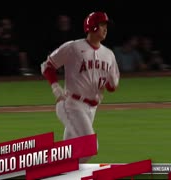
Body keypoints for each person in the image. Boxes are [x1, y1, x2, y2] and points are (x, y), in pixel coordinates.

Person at [40, 12, 120, 163]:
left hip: (91, 109)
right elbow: (47, 66)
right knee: (90, 147)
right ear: (92, 26)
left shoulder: (109, 55)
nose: (105, 29)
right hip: (71, 104)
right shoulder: (74, 47)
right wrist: (55, 87)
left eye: (106, 26)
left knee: (67, 153)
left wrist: (107, 83)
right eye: (103, 25)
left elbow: (111, 86)